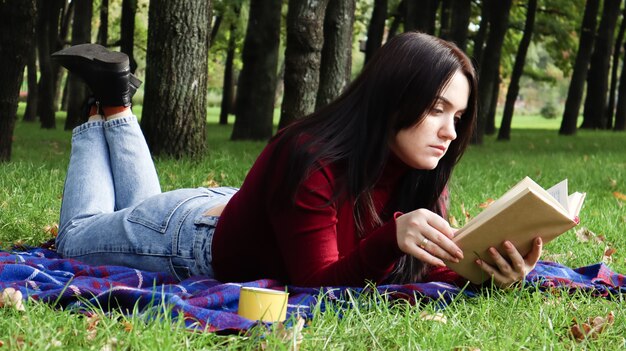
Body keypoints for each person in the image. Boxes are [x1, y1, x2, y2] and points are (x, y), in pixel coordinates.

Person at [52, 32, 542, 289]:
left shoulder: (418, 174)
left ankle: (112, 100)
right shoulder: (310, 157)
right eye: (436, 110)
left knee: (135, 208)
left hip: (242, 213)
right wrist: (391, 235)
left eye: (457, 115)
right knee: (76, 238)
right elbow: (315, 286)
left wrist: (487, 269)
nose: (449, 132)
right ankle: (109, 103)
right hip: (187, 240)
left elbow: (413, 269)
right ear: (393, 98)